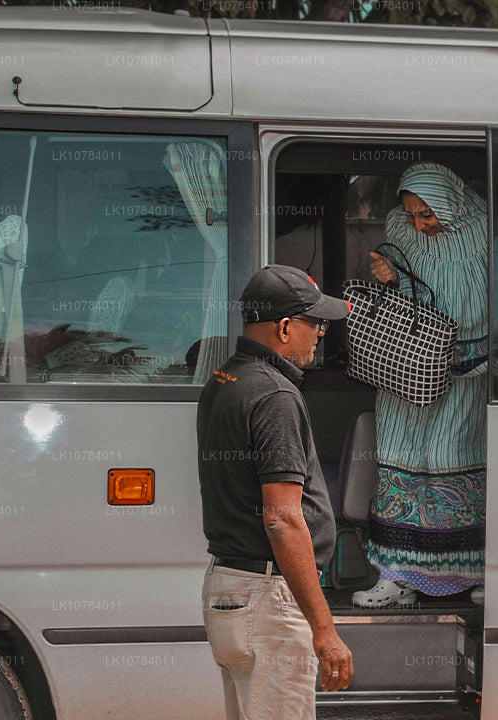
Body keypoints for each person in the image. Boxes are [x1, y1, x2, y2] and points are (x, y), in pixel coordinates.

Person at [197, 265, 354, 719]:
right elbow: (282, 518)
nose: (321, 334)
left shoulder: (225, 380)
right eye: (315, 323)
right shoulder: (274, 396)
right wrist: (324, 631)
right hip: (267, 602)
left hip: (229, 587)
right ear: (285, 328)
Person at [353, 162, 489, 608]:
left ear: (449, 200)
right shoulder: (398, 227)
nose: (419, 223)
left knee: (451, 458)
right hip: (408, 367)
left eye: (427, 214)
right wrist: (392, 278)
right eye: (412, 213)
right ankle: (396, 577)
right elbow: (403, 294)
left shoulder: (486, 227)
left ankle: (473, 571)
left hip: (468, 367)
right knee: (399, 461)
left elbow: (483, 302)